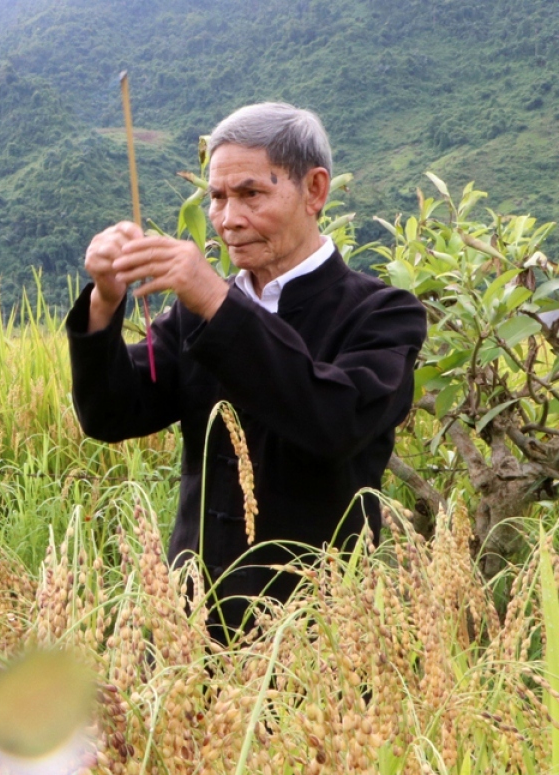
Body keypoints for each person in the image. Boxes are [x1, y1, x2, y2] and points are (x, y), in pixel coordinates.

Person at [67, 102, 427, 642]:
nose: (228, 218)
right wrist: (105, 297)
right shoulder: (197, 312)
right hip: (191, 624)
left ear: (315, 191)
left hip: (320, 634)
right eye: (217, 197)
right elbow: (110, 412)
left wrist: (214, 297)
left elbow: (333, 422)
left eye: (251, 194)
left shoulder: (382, 314)